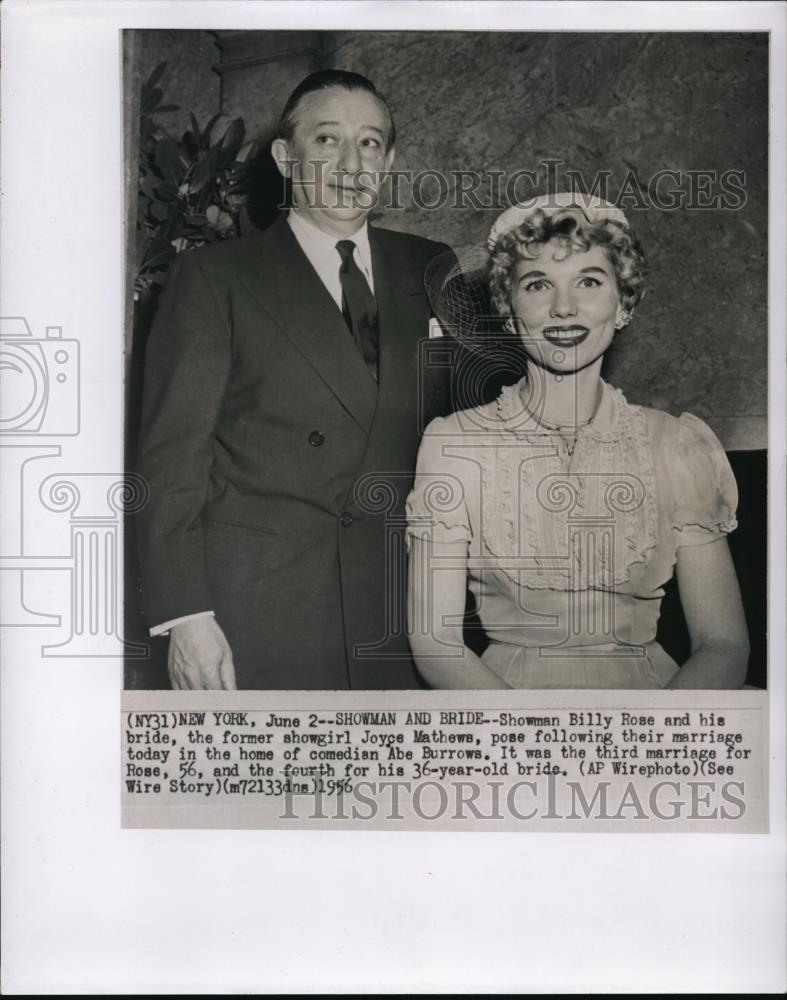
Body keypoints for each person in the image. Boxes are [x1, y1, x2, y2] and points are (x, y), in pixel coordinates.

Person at [137, 70, 453, 690]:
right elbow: (170, 460)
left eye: (369, 143)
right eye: (327, 139)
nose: (350, 162)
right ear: (286, 157)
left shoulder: (430, 265)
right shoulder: (214, 277)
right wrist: (186, 616)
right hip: (258, 609)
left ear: (387, 161)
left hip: (401, 608)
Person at [406, 192, 749, 689]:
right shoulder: (454, 445)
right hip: (502, 714)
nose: (564, 308)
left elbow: (724, 645)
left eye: (589, 281)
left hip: (660, 714)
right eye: (538, 284)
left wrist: (646, 746)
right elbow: (434, 643)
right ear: (507, 306)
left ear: (623, 301)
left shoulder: (677, 444)